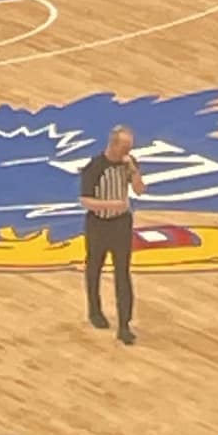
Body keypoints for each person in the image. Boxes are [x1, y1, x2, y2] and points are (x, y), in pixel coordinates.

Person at [80, 119, 142, 345]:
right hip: (98, 224)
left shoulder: (129, 163)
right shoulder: (95, 167)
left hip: (121, 225)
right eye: (125, 147)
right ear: (114, 145)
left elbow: (140, 190)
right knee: (94, 268)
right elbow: (85, 201)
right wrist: (110, 205)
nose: (128, 151)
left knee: (123, 273)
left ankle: (124, 325)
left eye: (130, 148)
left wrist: (134, 171)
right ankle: (95, 311)